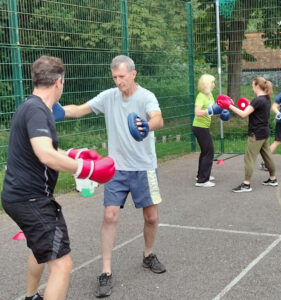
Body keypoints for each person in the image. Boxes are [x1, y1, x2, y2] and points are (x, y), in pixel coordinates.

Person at [1, 56, 115, 300]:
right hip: (32, 200)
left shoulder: (31, 106)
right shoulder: (37, 110)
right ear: (59, 82)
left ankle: (32, 296)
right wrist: (87, 170)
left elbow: (45, 149)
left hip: (18, 197)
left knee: (40, 248)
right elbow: (45, 155)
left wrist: (76, 154)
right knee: (62, 264)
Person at [62, 55, 166, 298]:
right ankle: (106, 272)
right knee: (110, 216)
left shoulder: (146, 96)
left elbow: (158, 119)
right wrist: (53, 110)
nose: (118, 82)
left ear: (133, 74)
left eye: (122, 77)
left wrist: (146, 126)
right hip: (115, 168)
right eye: (115, 77)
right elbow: (79, 110)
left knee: (151, 217)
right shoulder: (109, 97)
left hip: (143, 167)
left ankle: (148, 255)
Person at [217, 77, 278, 192]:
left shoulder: (257, 100)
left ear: (256, 86)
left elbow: (243, 114)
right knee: (267, 156)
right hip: (264, 132)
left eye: (252, 85)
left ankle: (246, 184)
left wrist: (229, 105)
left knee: (249, 158)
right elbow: (254, 111)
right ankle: (273, 179)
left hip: (256, 133)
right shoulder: (266, 98)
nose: (251, 87)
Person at [192, 74, 228, 187]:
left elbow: (213, 108)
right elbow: (197, 112)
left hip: (204, 127)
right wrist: (209, 111)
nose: (214, 84)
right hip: (199, 127)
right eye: (212, 82)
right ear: (207, 83)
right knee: (209, 152)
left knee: (204, 152)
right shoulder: (201, 96)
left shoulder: (209, 95)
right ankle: (202, 180)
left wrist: (221, 112)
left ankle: (201, 175)